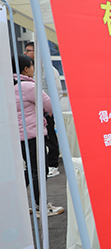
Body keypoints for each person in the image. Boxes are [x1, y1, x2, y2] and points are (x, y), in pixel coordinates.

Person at [13, 54, 65, 217]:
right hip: (34, 135)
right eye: (32, 66)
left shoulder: (10, 86)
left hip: (20, 137)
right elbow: (50, 105)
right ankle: (40, 206)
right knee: (39, 171)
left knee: (29, 170)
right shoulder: (29, 87)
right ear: (25, 69)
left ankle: (16, 203)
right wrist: (46, 112)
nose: (33, 69)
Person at [25, 41, 63, 178]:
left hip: (47, 110)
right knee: (40, 139)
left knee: (50, 138)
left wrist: (51, 109)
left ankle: (53, 165)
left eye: (28, 50)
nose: (25, 53)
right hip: (34, 111)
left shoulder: (48, 69)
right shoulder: (30, 70)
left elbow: (57, 91)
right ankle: (44, 164)